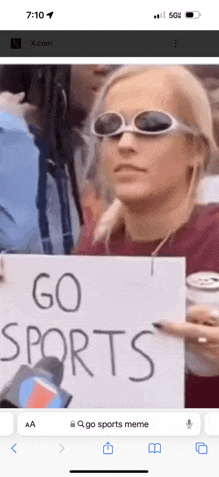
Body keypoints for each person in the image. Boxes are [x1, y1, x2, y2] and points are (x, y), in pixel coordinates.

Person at [75, 64, 219, 407]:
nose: (125, 143)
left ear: (195, 149)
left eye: (151, 124)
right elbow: (50, 395)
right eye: (110, 127)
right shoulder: (92, 250)